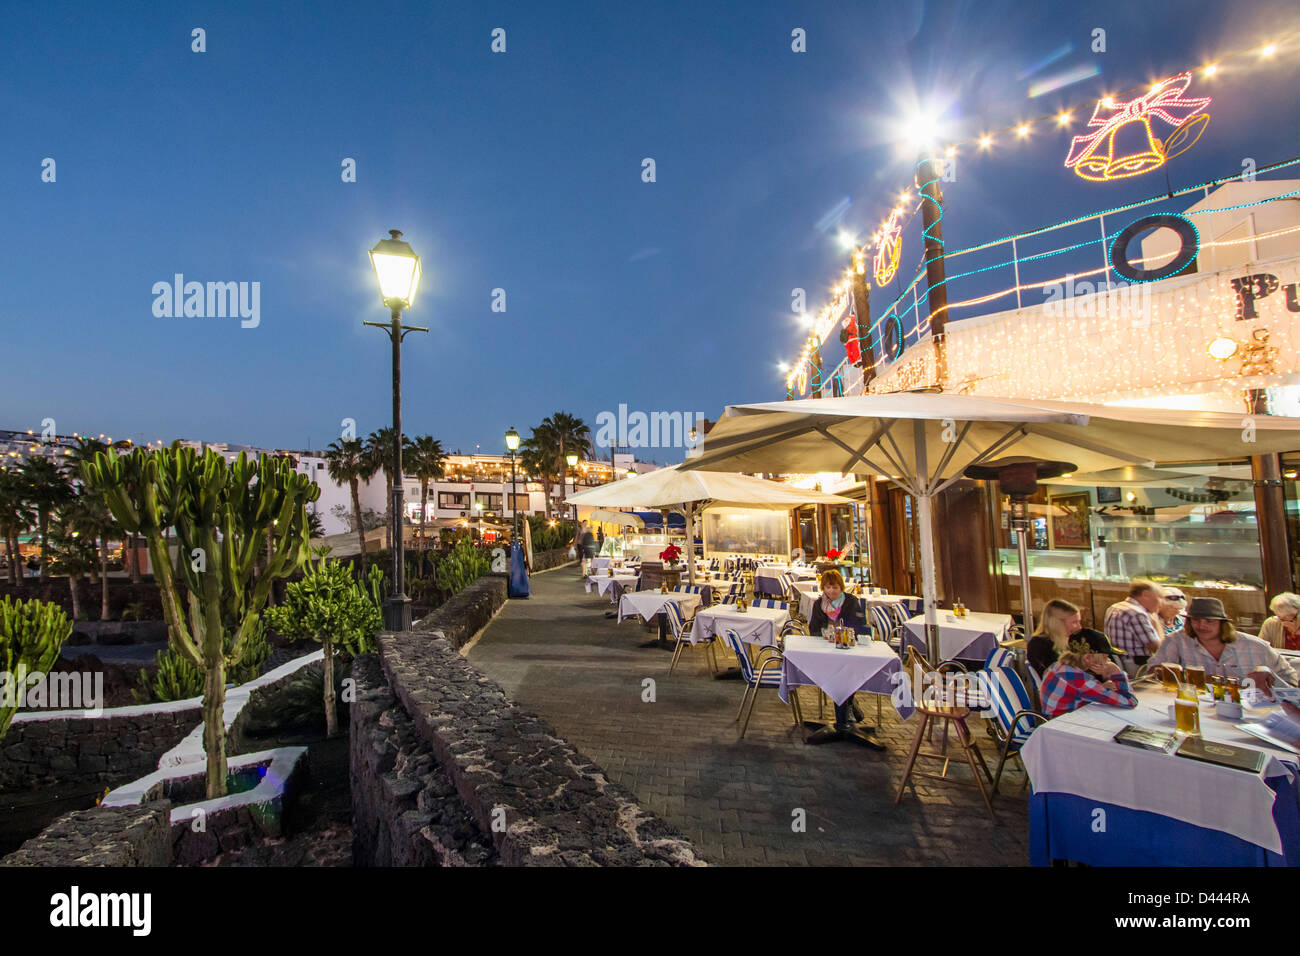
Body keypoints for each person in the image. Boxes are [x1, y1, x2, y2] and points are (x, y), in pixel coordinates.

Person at [1146, 596, 1297, 696]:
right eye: (1196, 620)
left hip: (1250, 711)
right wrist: (1189, 677)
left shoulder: (1256, 646)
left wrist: (1267, 676)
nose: (1201, 625)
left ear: (1223, 624)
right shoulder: (1176, 641)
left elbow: (1292, 682)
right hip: (1197, 708)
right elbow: (1153, 672)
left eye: (1209, 621)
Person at [1039, 643, 1139, 718]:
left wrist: (1100, 688)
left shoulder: (1059, 665)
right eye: (1104, 657)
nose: (1108, 661)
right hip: (1063, 729)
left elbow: (1076, 692)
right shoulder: (1081, 680)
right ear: (1087, 657)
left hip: (1051, 721)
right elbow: (1130, 702)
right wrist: (1115, 670)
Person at [1027, 598, 1114, 678]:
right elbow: (1057, 679)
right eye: (1074, 622)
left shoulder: (1074, 641)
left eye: (1079, 622)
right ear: (1057, 623)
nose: (1079, 627)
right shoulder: (1038, 645)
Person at [1103, 578, 1163, 671]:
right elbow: (1158, 648)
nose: (1161, 602)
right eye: (1159, 597)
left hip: (1118, 663)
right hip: (1137, 667)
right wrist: (1156, 621)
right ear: (1145, 594)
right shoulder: (1137, 613)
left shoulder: (1114, 607)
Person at [807, 569, 867, 636]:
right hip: (824, 641)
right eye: (828, 587)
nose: (831, 591)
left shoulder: (851, 601)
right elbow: (813, 628)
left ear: (841, 588)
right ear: (823, 588)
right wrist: (825, 634)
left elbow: (858, 625)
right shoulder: (818, 604)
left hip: (846, 640)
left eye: (835, 587)